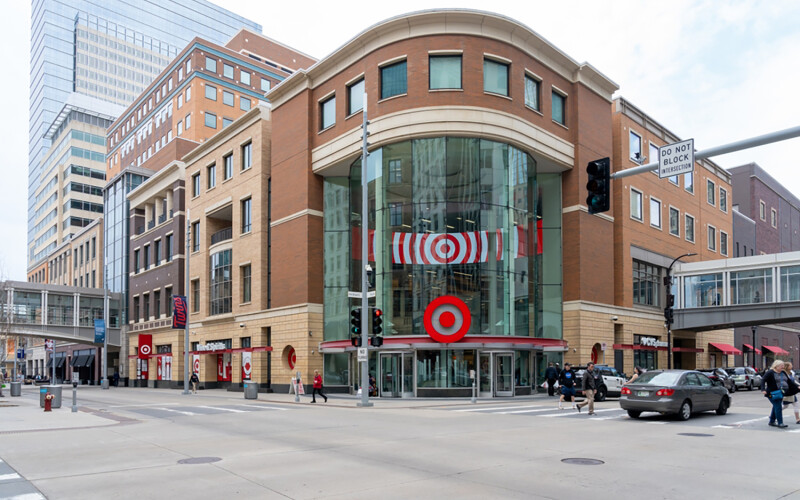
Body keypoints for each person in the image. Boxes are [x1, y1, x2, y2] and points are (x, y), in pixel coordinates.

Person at [761, 360, 788, 428]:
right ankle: (780, 422)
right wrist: (763, 389)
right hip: (771, 393)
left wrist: (796, 387)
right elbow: (763, 379)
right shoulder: (770, 372)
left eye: (783, 365)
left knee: (776, 406)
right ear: (776, 366)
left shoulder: (783, 372)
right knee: (778, 406)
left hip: (780, 392)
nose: (783, 367)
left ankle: (772, 421)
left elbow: (789, 380)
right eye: (781, 365)